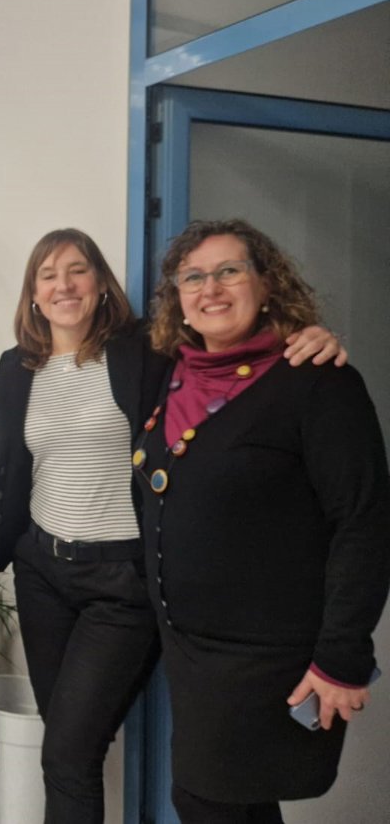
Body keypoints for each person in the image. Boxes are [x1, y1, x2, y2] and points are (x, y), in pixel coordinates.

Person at [0, 228, 347, 824]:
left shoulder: (146, 352)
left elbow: (232, 357)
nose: (63, 286)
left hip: (121, 582)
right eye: (47, 275)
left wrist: (304, 337)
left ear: (102, 283)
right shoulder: (16, 367)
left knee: (68, 753)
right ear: (33, 294)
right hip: (42, 574)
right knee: (66, 743)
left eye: (77, 270)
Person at [134, 218, 389, 823]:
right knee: (240, 804)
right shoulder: (172, 374)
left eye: (229, 271)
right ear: (178, 298)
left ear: (267, 283)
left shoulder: (318, 382)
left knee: (204, 800)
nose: (210, 288)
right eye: (192, 277)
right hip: (190, 650)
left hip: (267, 655)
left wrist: (342, 656)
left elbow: (364, 521)